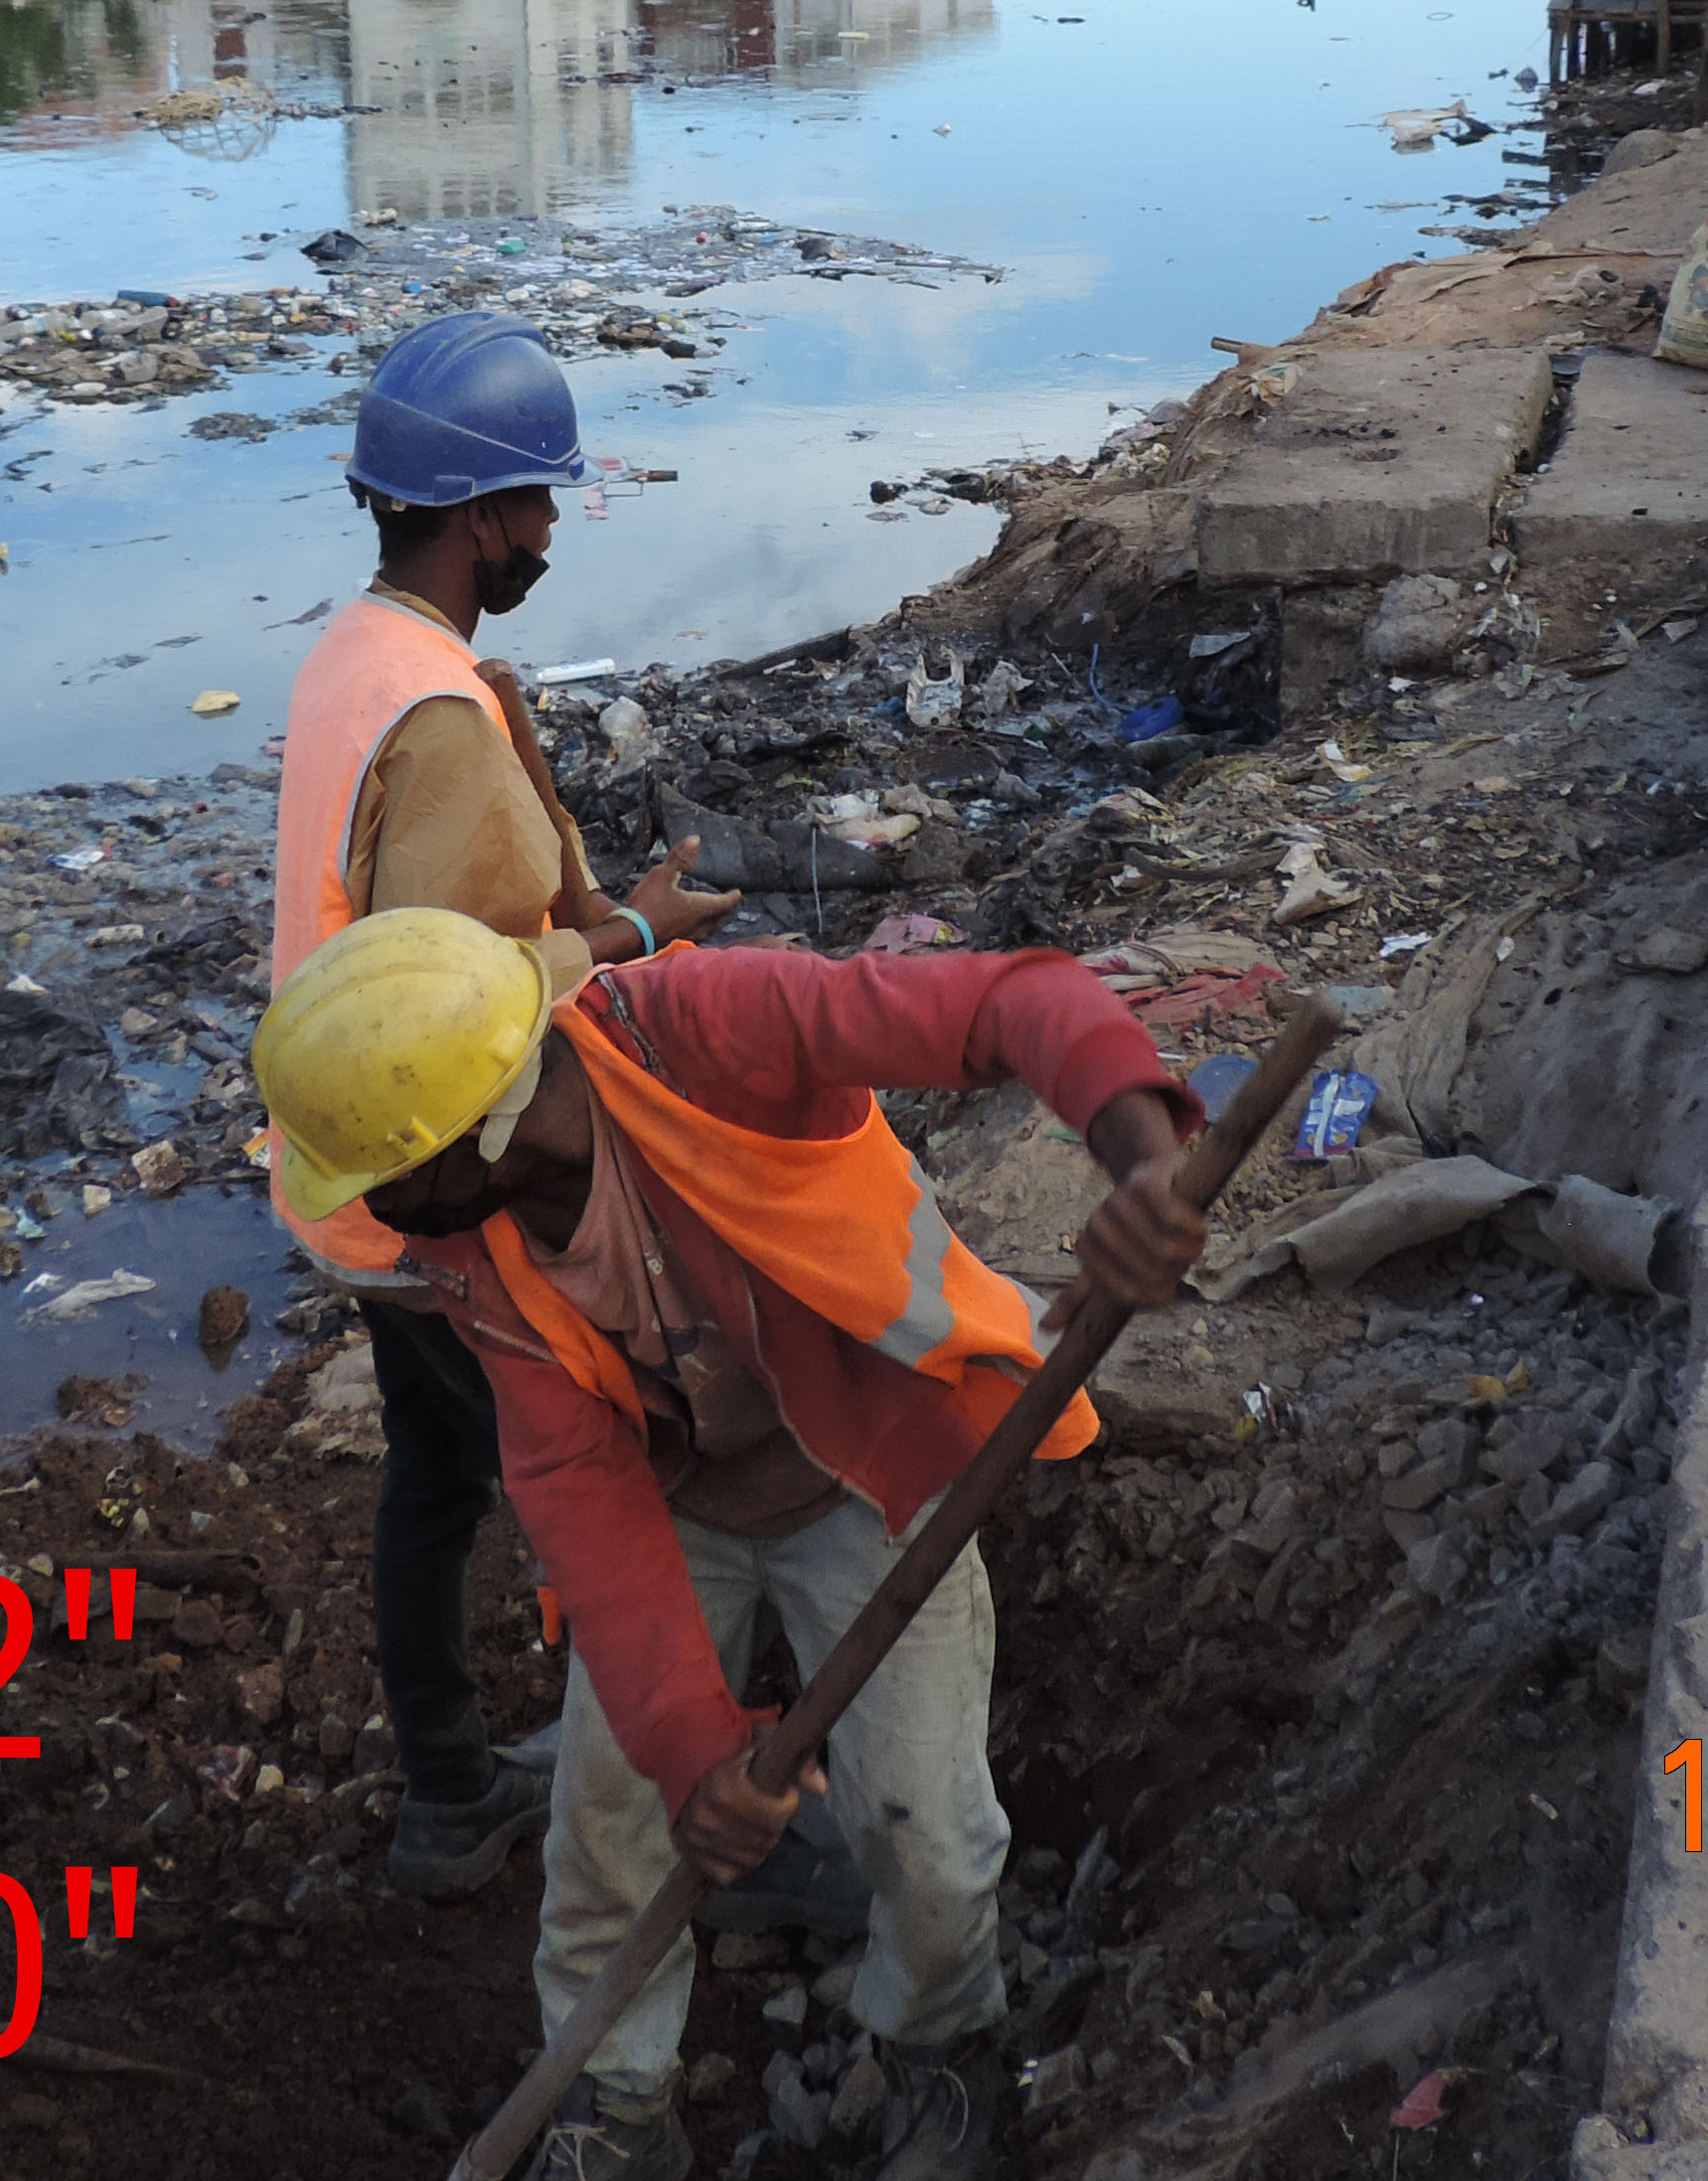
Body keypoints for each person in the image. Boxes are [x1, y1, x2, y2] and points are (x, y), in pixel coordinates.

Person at [257, 902, 1209, 2181]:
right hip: (681, 1506)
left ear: (463, 1138)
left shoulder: (700, 1035)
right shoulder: (472, 1251)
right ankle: (616, 2106)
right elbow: (577, 1492)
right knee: (610, 1831)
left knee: (923, 1826)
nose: (372, 1207)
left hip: (873, 1467)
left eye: (379, 1175)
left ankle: (942, 2048)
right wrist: (700, 1755)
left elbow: (1001, 1003)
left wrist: (1144, 1161)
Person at [271, 316, 744, 1911]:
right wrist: (632, 937)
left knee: (433, 1478)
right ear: (478, 520)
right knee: (600, 1493)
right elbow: (452, 1003)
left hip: (341, 1169)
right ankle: (671, 1809)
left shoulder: (363, 654)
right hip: (429, 1185)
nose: (550, 530)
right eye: (538, 504)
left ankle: (453, 1785)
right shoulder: (445, 723)